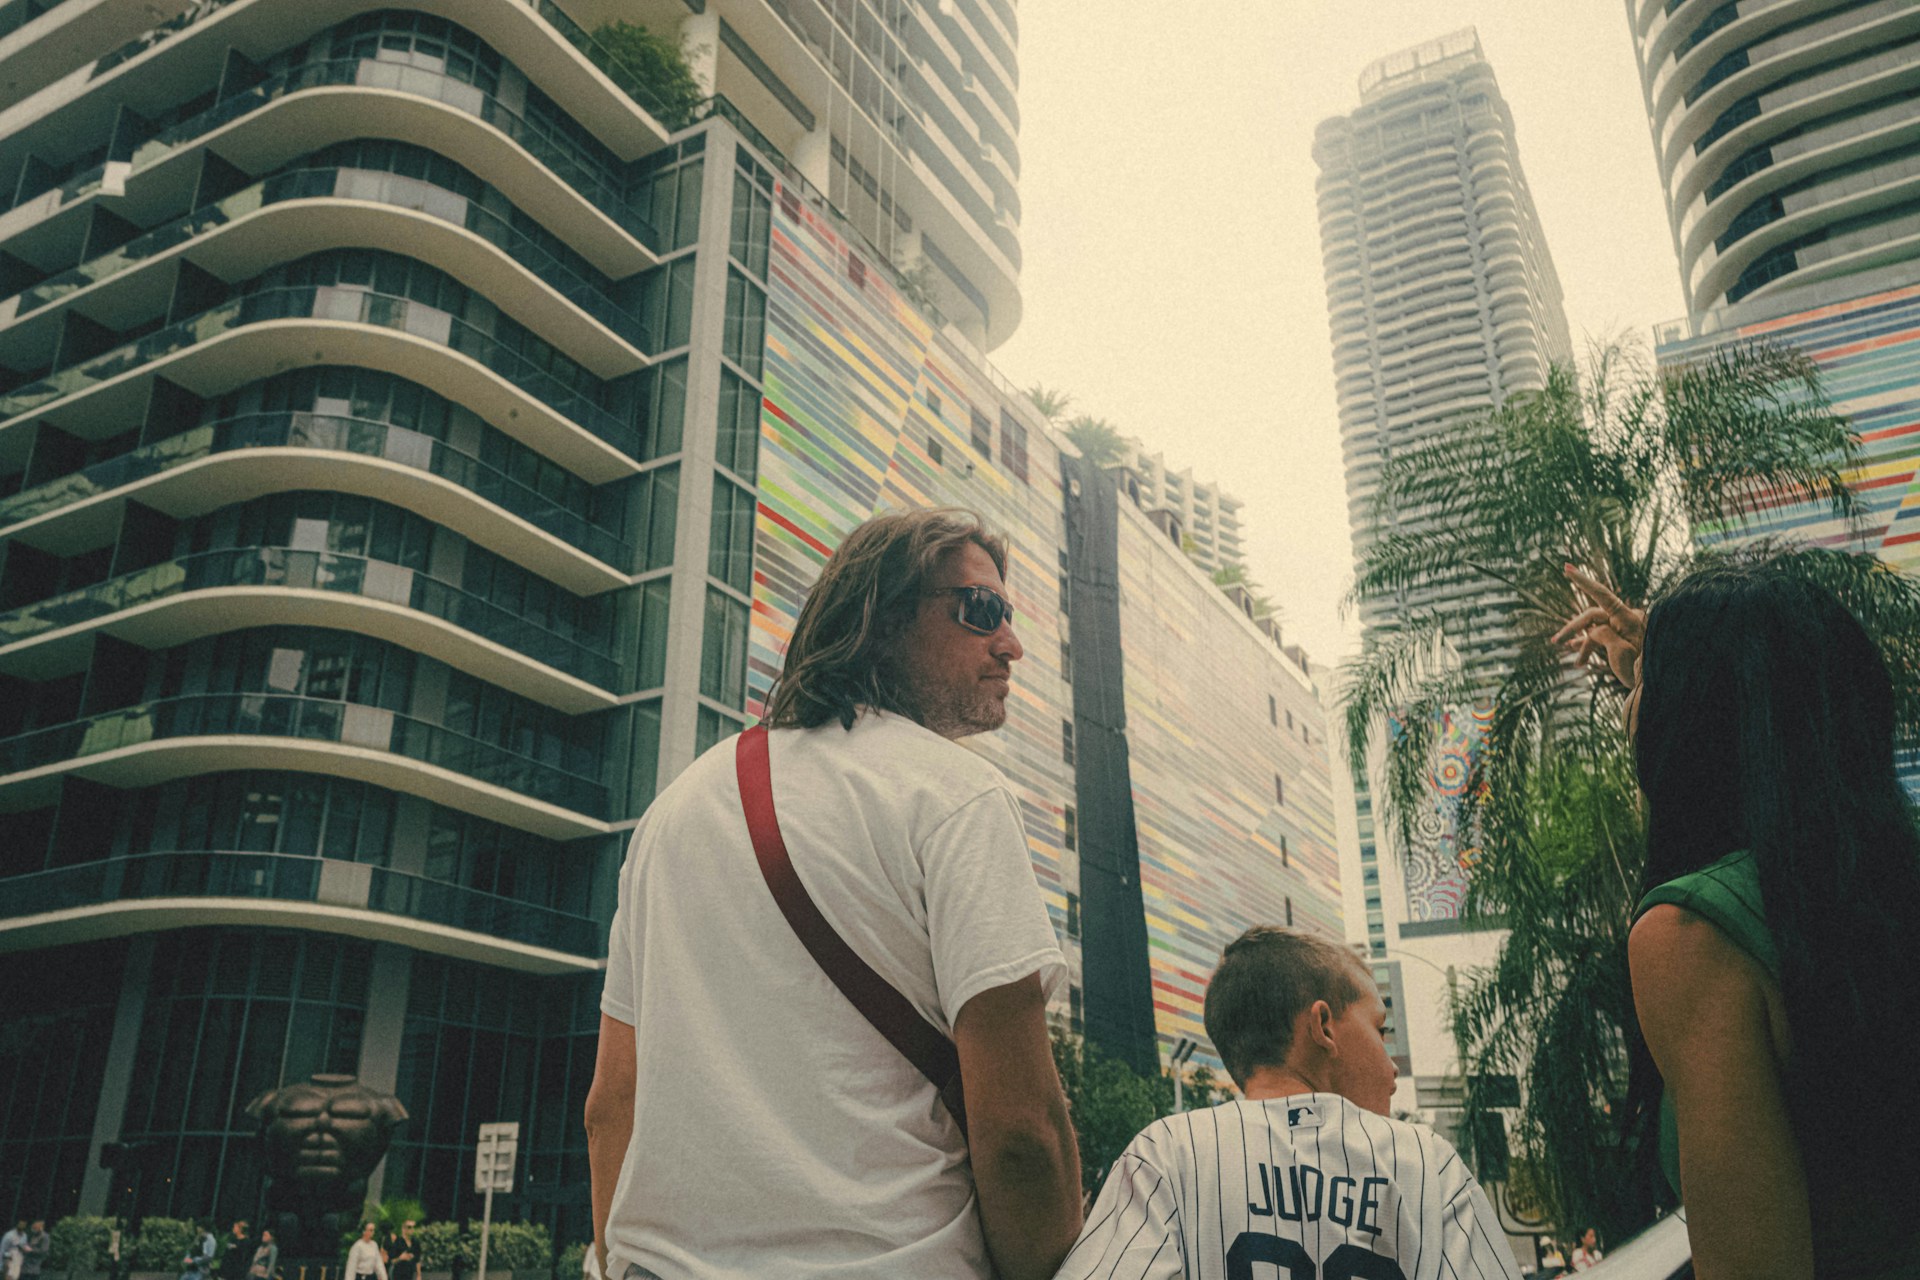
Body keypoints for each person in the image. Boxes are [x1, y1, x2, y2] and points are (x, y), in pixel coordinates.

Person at [587, 509, 1081, 1280]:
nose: (1011, 643)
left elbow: (611, 1103)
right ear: (882, 620)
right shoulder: (956, 798)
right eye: (981, 610)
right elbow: (1022, 1133)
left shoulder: (670, 815)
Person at [1559, 562, 1920, 1279]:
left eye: (1648, 695)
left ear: (1688, 728)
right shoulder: (1881, 890)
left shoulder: (1697, 933)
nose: (1634, 710)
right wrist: (1670, 653)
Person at [1056, 926, 1521, 1279]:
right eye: (1380, 1030)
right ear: (1323, 1027)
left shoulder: (1166, 1153)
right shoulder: (1426, 1161)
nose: (1392, 1064)